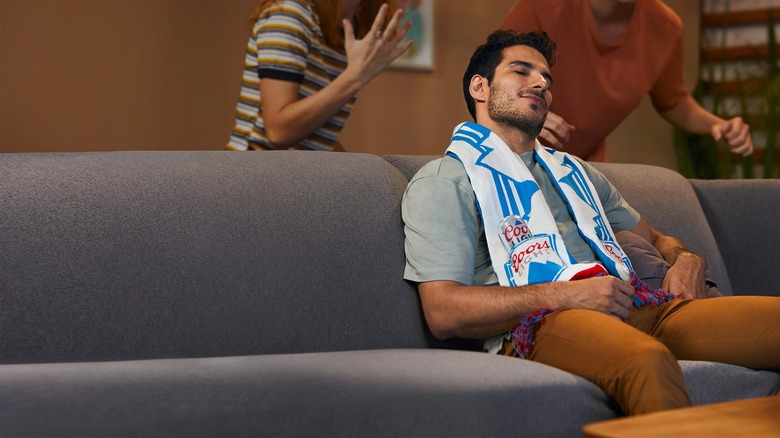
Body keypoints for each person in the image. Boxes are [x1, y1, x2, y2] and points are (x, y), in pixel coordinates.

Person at [401, 29, 780, 416]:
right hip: (541, 324)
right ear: (479, 87)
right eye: (522, 71)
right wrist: (565, 295)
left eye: (547, 79)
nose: (541, 83)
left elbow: (656, 238)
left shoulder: (574, 173)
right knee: (646, 360)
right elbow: (443, 312)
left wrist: (686, 259)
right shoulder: (445, 180)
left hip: (636, 306)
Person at [499, 0, 754, 161]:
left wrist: (717, 125)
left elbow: (673, 99)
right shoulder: (540, 8)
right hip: (515, 160)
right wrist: (522, 118)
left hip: (586, 170)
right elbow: (490, 80)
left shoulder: (664, 27)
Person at [226, 0, 412, 152]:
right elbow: (278, 132)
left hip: (297, 178)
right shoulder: (290, 14)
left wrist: (361, 171)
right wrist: (354, 77)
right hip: (251, 177)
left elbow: (315, 137)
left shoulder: (349, 28)